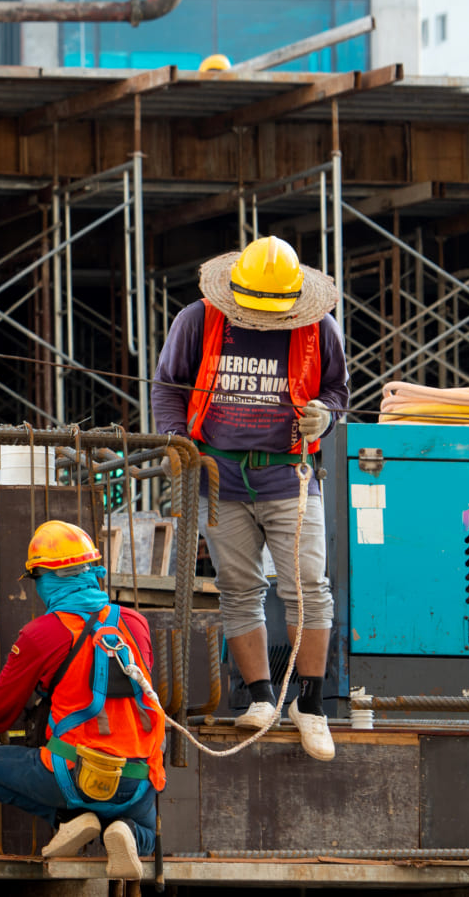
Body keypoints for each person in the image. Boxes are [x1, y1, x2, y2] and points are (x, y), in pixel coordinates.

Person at [150, 234, 346, 761]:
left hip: (289, 476)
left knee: (309, 588)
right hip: (222, 478)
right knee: (239, 588)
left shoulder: (317, 327)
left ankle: (311, 705)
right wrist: (176, 440)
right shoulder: (198, 320)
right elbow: (168, 386)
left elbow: (337, 393)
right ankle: (261, 699)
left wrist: (325, 414)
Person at [0, 521, 165, 880]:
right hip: (137, 777)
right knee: (146, 834)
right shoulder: (135, 622)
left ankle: (72, 820)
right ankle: (126, 834)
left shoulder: (43, 632)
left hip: (70, 773)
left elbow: (0, 709)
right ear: (91, 572)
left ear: (45, 578)